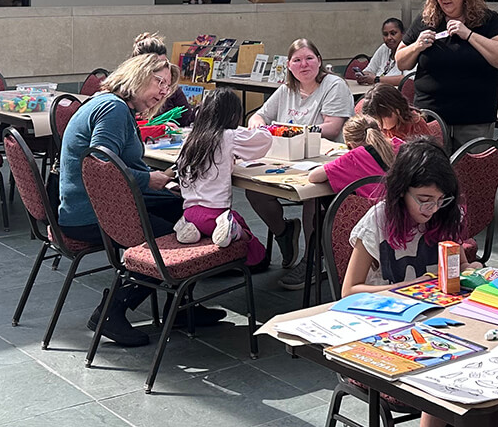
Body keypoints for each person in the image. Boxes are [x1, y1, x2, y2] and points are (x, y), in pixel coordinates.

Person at [340, 138, 498, 427]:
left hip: (443, 321)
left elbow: (464, 266)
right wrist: (404, 289)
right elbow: (349, 289)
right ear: (401, 190)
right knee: (439, 391)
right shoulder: (379, 221)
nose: (430, 209)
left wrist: (475, 275)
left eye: (440, 201)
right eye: (423, 200)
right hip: (387, 329)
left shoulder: (446, 215)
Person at [57, 54, 225, 346]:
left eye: (167, 86)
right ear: (137, 76)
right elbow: (102, 164)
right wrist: (151, 180)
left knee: (183, 209)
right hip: (90, 214)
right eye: (158, 82)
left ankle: (182, 306)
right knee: (182, 236)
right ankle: (112, 311)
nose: (163, 91)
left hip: (89, 205)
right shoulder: (113, 109)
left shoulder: (106, 102)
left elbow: (114, 165)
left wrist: (160, 185)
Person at [246, 39, 353, 288]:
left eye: (309, 58)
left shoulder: (333, 85)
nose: (304, 64)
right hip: (288, 159)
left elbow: (333, 127)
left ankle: (313, 260)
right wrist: (257, 122)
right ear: (289, 65)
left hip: (325, 160)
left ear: (319, 60)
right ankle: (284, 233)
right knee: (255, 190)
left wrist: (293, 130)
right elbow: (261, 114)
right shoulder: (286, 90)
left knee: (312, 198)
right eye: (297, 60)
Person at [397, 0, 498, 151]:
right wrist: (417, 46)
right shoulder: (426, 19)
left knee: (471, 175)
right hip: (430, 116)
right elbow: (401, 60)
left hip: (474, 117)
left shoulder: (487, 19)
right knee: (431, 173)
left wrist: (469, 34)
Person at [169, 89, 272, 270]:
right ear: (233, 115)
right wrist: (260, 126)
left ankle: (191, 230)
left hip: (190, 212)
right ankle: (236, 235)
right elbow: (263, 141)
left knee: (201, 225)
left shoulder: (191, 138)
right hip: (216, 214)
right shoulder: (228, 136)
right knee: (243, 228)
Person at [308, 114, 395, 198]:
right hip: (404, 206)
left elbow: (313, 177)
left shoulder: (353, 157)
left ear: (351, 145)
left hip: (380, 210)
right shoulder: (399, 144)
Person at [130, 32, 192, 125]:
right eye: (155, 65)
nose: (162, 68)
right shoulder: (125, 97)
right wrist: (155, 127)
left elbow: (188, 119)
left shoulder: (170, 88)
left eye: (164, 63)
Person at [361, 84, 434, 143]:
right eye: (375, 120)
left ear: (396, 112)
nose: (379, 125)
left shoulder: (416, 126)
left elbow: (427, 154)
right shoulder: (378, 128)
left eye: (381, 120)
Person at [356, 17, 409, 87]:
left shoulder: (410, 51)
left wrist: (376, 79)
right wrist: (363, 76)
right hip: (376, 91)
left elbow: (407, 79)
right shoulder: (384, 48)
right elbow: (370, 69)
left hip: (395, 94)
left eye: (393, 33)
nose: (389, 38)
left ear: (403, 34)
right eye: (385, 34)